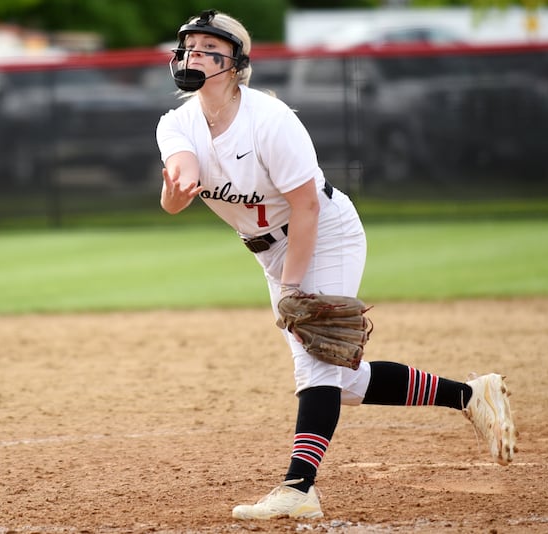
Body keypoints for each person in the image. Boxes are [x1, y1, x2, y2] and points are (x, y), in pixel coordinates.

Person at [155, 10, 517, 521]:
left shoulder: (271, 121)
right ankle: (470, 396)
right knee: (342, 383)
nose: (193, 55)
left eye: (207, 48)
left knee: (315, 365)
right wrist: (177, 188)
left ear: (234, 64)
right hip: (269, 251)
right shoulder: (176, 123)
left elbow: (305, 207)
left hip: (325, 232)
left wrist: (295, 287)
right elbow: (179, 182)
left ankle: (299, 488)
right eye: (188, 46)